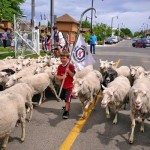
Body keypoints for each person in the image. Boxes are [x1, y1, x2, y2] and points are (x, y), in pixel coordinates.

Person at [55, 51, 75, 119]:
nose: (62, 59)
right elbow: (57, 76)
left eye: (64, 58)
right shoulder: (60, 66)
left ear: (68, 59)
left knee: (67, 100)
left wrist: (68, 71)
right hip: (63, 86)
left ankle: (66, 111)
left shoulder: (71, 66)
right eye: (61, 58)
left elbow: (73, 76)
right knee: (63, 98)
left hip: (70, 86)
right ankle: (66, 106)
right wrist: (61, 77)